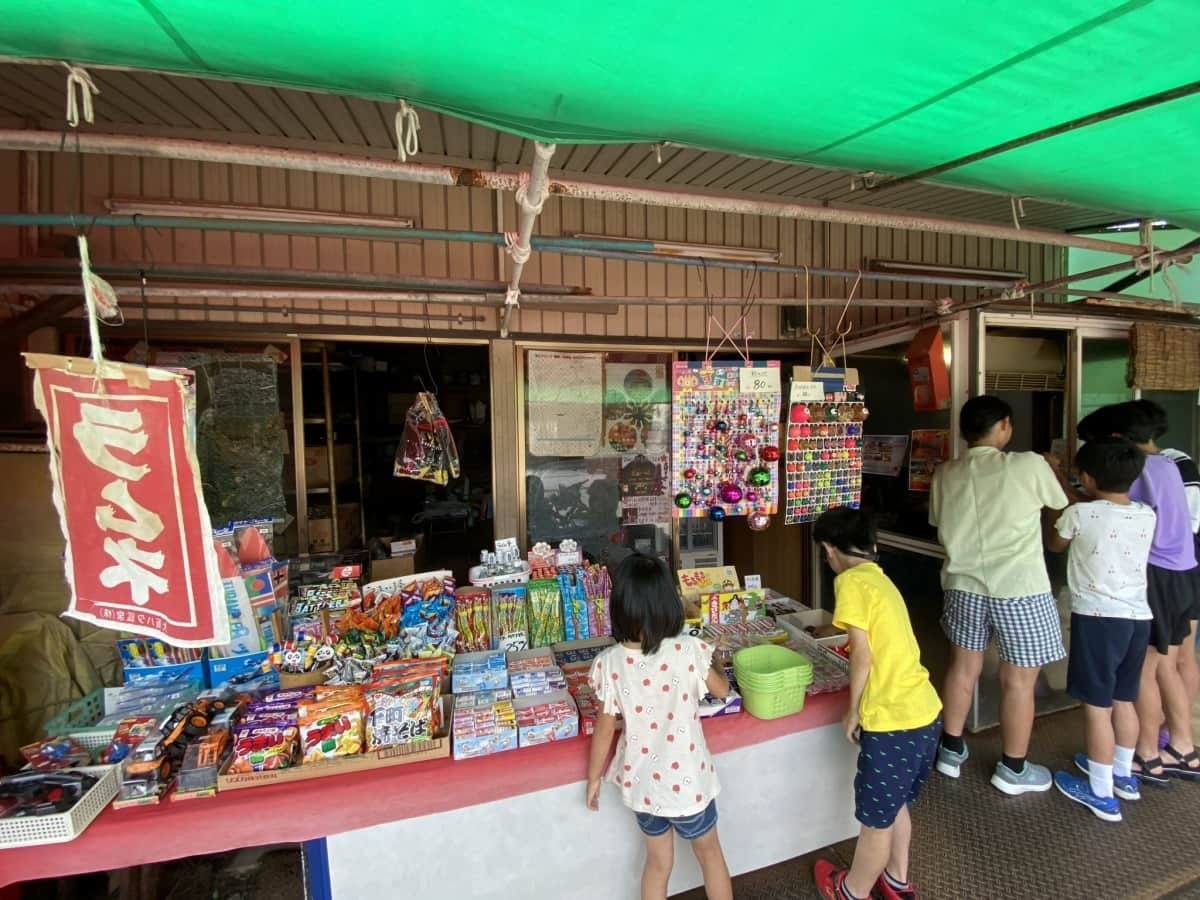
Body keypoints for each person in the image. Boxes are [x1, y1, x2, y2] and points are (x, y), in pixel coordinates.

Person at [928, 395, 1068, 794]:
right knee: (1019, 682)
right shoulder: (1027, 465)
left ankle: (951, 751)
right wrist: (1055, 470)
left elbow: (938, 521)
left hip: (963, 585)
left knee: (962, 668)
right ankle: (1013, 769)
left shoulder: (946, 473)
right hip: (1019, 588)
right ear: (1005, 425)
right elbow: (1060, 507)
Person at [811, 507, 942, 900]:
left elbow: (862, 655)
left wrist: (853, 709)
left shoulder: (850, 582)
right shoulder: (878, 578)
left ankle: (851, 891)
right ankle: (897, 882)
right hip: (924, 711)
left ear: (829, 549)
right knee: (897, 803)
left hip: (892, 720)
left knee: (874, 824)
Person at [586, 553, 733, 900]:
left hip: (644, 789)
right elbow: (722, 691)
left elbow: (605, 730)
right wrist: (717, 659)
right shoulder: (688, 650)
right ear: (670, 603)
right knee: (710, 854)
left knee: (657, 862)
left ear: (620, 607)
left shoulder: (609, 664)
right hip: (690, 787)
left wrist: (594, 778)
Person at [1045, 437, 1155, 821]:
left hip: (1097, 619)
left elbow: (1056, 544)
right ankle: (1123, 775)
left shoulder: (1081, 515)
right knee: (1124, 697)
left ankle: (1100, 791)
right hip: (1138, 618)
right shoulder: (1146, 512)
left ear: (1087, 478)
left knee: (1097, 706)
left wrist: (1060, 486)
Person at [1097, 402, 1200, 782]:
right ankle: (1183, 746)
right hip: (1185, 573)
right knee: (1168, 665)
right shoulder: (1171, 465)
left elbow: (1109, 511)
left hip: (1155, 577)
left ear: (1119, 437)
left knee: (1143, 670)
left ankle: (1147, 753)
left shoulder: (1137, 469)